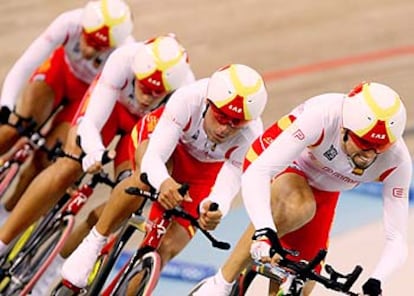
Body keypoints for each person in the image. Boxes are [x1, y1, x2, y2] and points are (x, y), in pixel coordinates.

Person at [0, 34, 195, 295]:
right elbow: (90, 122)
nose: (147, 98)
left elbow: (160, 152)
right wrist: (92, 152)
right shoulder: (124, 59)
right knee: (69, 165)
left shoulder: (185, 92)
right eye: (144, 87)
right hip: (110, 111)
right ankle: (3, 242)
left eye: (157, 92)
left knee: (129, 196)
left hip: (143, 131)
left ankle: (53, 272)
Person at [59, 63, 268, 291]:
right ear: (209, 103)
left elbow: (228, 185)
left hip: (203, 171)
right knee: (145, 180)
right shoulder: (189, 98)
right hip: (165, 145)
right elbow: (154, 158)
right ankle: (94, 242)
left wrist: (215, 209)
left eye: (235, 123)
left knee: (166, 248)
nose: (225, 129)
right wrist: (163, 181)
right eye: (220, 117)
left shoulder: (252, 135)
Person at [191, 81, 411, 296]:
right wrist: (264, 231)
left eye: (379, 148)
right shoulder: (324, 116)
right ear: (345, 129)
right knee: (298, 207)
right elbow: (258, 172)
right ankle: (223, 282)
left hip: (325, 190)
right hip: (283, 161)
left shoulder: (397, 161)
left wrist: (376, 281)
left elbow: (397, 239)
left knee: (301, 282)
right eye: (363, 143)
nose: (369, 155)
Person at [0, 0, 134, 218]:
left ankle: (9, 212)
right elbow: (25, 64)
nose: (90, 51)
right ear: (83, 28)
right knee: (15, 127)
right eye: (88, 40)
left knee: (45, 160)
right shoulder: (70, 22)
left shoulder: (125, 52)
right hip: (60, 73)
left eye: (100, 48)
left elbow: (106, 105)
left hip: (85, 96)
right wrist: (6, 105)